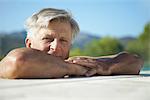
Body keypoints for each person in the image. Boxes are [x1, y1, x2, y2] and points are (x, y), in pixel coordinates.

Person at [0, 8, 143, 79]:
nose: (56, 46)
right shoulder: (73, 67)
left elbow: (135, 61)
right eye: (48, 39)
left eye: (63, 40)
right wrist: (74, 69)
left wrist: (107, 66)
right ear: (29, 44)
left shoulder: (74, 64)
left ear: (70, 46)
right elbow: (19, 62)